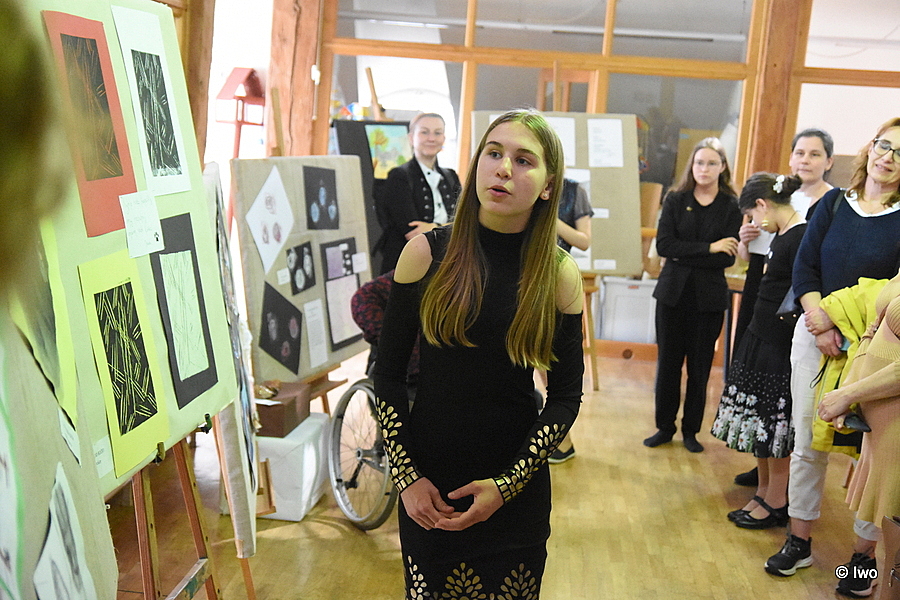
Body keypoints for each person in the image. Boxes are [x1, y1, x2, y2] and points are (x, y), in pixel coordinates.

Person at [372, 108, 584, 598]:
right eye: (494, 153)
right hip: (430, 485)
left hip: (516, 488)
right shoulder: (426, 253)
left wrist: (507, 485)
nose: (504, 168)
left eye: (524, 160)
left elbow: (565, 397)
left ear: (549, 186)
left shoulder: (557, 274)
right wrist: (406, 477)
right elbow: (388, 376)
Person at [765, 118, 900, 587]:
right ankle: (798, 540)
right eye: (885, 145)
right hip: (813, 333)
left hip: (875, 350)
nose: (888, 157)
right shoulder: (833, 203)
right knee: (807, 442)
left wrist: (840, 324)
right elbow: (805, 267)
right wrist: (819, 320)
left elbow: (892, 291)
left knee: (871, 455)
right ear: (870, 148)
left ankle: (861, 559)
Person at [732, 128, 835, 488]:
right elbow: (755, 260)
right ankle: (765, 479)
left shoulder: (824, 208)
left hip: (788, 319)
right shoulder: (781, 214)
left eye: (814, 154)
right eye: (800, 153)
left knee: (778, 407)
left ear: (828, 161)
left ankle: (776, 490)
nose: (805, 160)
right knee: (761, 403)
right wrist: (745, 240)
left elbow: (806, 276)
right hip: (764, 305)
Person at [710, 173, 806, 529]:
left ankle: (777, 499)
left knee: (775, 422)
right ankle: (764, 491)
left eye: (752, 215)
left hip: (779, 343)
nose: (753, 222)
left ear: (763, 205)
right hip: (760, 334)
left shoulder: (800, 235)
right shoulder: (781, 234)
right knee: (760, 422)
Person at [643, 137, 742, 453]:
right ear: (692, 166)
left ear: (722, 167)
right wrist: (709, 248)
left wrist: (687, 253)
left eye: (712, 163)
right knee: (668, 366)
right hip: (672, 295)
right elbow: (664, 246)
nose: (704, 168)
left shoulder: (731, 205)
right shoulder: (675, 199)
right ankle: (664, 427)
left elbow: (726, 258)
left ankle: (690, 431)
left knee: (699, 369)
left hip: (708, 300)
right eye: (700, 162)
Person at [818, 270, 900, 599]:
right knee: (886, 530)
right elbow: (873, 329)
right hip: (880, 421)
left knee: (895, 543)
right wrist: (848, 391)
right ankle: (864, 571)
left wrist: (849, 394)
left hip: (894, 422)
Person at [376, 112, 462, 274]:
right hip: (408, 268)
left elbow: (464, 222)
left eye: (437, 133)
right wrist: (450, 228)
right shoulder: (398, 176)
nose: (431, 138)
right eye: (424, 132)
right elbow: (413, 232)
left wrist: (434, 227)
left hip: (446, 266)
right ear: (411, 138)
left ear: (444, 138)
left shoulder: (451, 176)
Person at [546, 178, 592, 463]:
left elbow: (584, 241)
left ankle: (563, 442)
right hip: (521, 277)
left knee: (552, 366)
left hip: (557, 280)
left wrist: (550, 219)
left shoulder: (574, 191)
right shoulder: (521, 182)